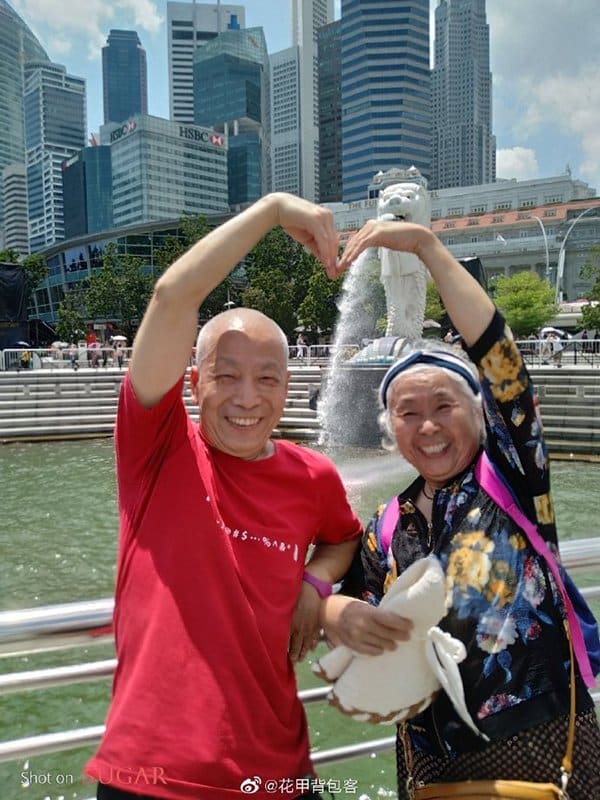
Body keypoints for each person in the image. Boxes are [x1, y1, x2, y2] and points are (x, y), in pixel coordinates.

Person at [84, 193, 363, 800]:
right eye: (226, 375)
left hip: (276, 774)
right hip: (150, 775)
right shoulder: (156, 447)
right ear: (193, 382)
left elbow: (344, 538)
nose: (247, 398)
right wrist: (272, 211)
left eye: (267, 379)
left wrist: (315, 584)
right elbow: (172, 296)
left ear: (287, 388)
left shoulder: (312, 477)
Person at [320, 218, 600, 799]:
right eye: (408, 412)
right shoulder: (386, 525)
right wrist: (337, 613)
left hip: (537, 738)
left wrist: (426, 248)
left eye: (444, 405)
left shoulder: (512, 475)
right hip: (429, 756)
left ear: (480, 412)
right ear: (391, 428)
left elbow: (498, 355)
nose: (427, 426)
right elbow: (354, 611)